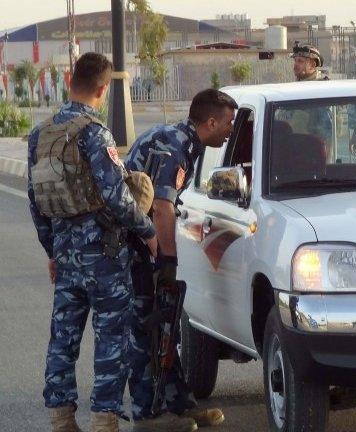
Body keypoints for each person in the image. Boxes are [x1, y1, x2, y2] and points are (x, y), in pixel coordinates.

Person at [28, 52, 157, 432]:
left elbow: (37, 202)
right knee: (110, 341)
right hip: (104, 256)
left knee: (63, 340)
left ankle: (62, 419)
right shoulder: (94, 133)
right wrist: (148, 232)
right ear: (103, 89)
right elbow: (117, 197)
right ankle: (103, 421)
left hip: (67, 258)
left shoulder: (40, 134)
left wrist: (53, 250)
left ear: (70, 79)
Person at [124, 89, 237, 431]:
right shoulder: (175, 146)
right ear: (211, 121)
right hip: (132, 247)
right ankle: (146, 415)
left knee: (166, 328)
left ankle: (178, 403)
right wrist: (168, 261)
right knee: (146, 329)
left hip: (142, 243)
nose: (230, 129)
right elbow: (161, 207)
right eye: (229, 123)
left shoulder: (182, 140)